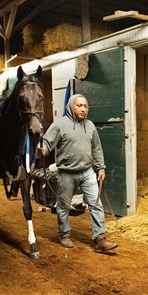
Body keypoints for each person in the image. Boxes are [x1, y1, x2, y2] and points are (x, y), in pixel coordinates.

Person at [38, 94, 118, 252]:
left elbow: (96, 148)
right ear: (71, 107)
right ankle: (64, 234)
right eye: (79, 105)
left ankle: (100, 238)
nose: (82, 109)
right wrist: (43, 149)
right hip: (66, 173)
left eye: (85, 106)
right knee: (63, 206)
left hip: (87, 171)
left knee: (95, 204)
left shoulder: (90, 126)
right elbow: (47, 142)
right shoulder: (60, 125)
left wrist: (100, 167)